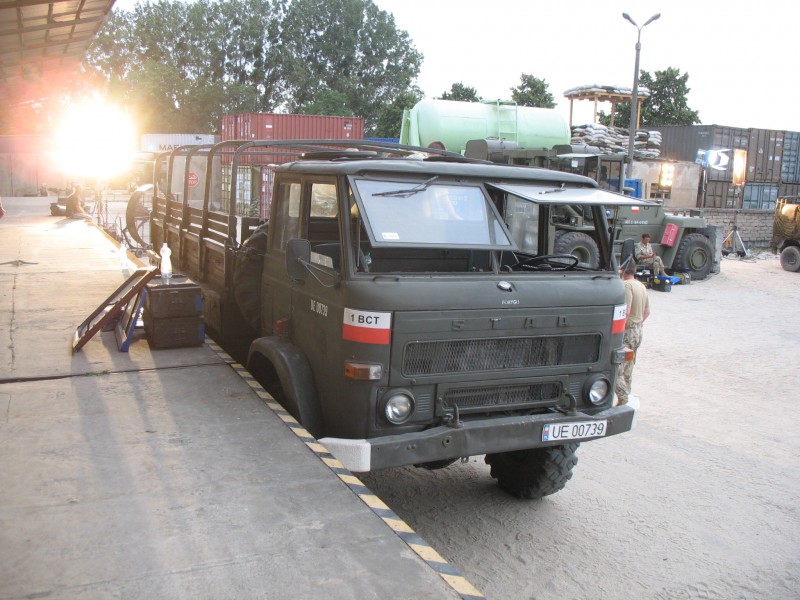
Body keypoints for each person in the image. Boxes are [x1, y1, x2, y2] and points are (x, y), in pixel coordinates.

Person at [615, 259, 651, 405]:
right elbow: (647, 312)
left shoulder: (627, 286)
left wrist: (621, 330)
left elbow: (626, 311)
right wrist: (637, 325)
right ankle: (627, 395)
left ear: (623, 271)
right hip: (638, 330)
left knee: (616, 367)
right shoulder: (641, 286)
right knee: (629, 366)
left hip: (627, 330)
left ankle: (623, 398)